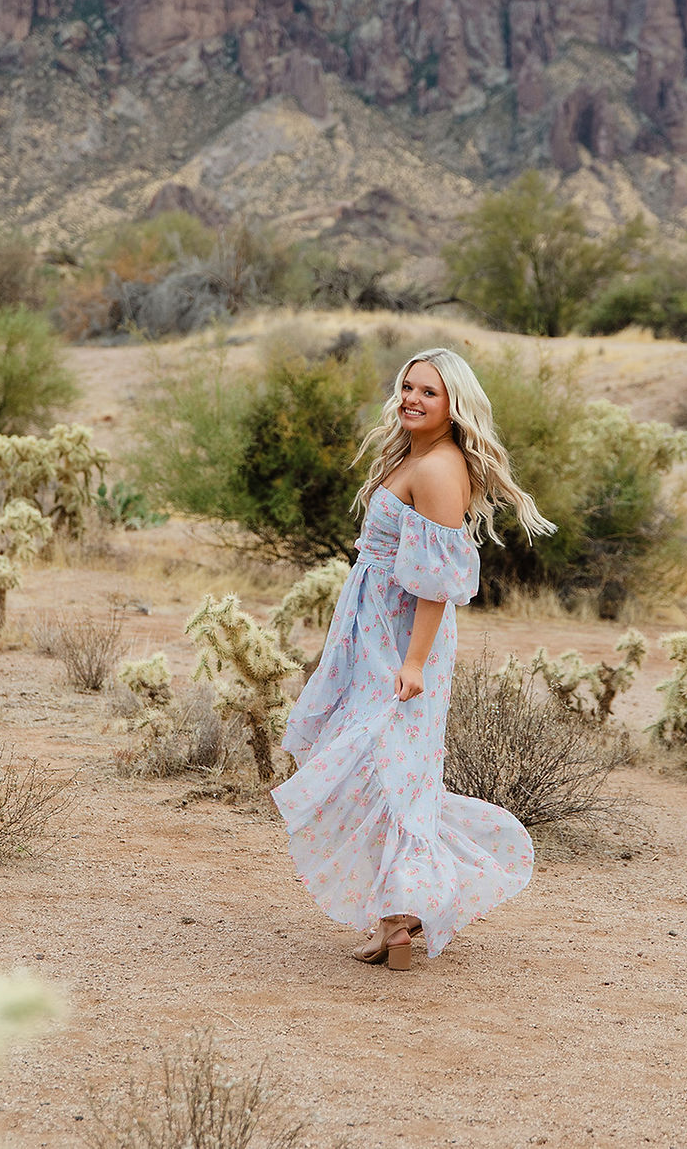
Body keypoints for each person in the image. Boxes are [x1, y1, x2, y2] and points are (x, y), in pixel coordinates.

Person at [271, 347, 555, 970]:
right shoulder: (418, 456)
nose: (412, 399)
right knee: (381, 762)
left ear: (454, 404)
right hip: (376, 630)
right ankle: (394, 914)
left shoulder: (438, 469)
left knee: (390, 764)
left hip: (403, 641)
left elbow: (436, 582)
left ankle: (403, 910)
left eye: (429, 392)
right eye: (407, 387)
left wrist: (415, 663)